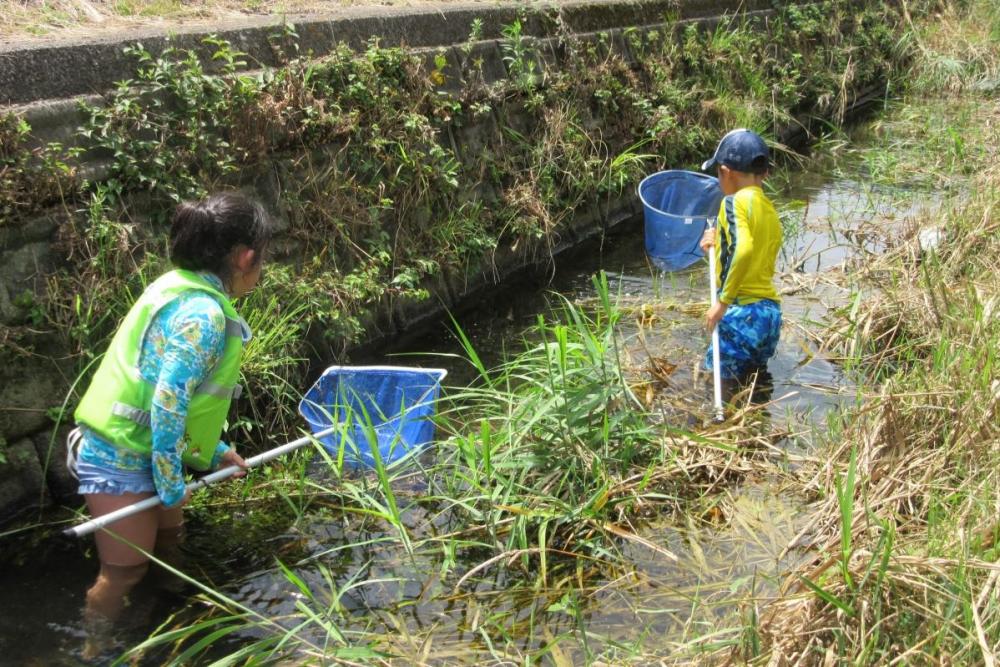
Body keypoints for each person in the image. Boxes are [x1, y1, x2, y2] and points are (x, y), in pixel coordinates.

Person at [69, 192, 272, 658]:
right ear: (245, 257)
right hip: (118, 455)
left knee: (169, 539)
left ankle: (173, 613)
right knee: (123, 573)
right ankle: (92, 650)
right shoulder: (202, 315)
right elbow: (164, 403)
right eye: (262, 258)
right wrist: (167, 479)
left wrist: (216, 450)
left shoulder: (179, 285)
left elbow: (173, 400)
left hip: (148, 446)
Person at [698, 129, 782, 400]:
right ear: (764, 174)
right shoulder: (768, 209)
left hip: (741, 313)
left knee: (717, 391)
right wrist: (718, 240)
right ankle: (753, 434)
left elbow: (743, 250)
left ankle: (718, 436)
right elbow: (754, 254)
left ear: (725, 171)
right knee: (752, 389)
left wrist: (722, 302)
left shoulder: (733, 202)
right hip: (768, 316)